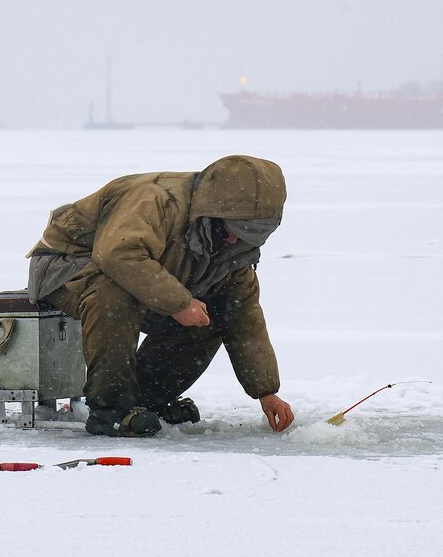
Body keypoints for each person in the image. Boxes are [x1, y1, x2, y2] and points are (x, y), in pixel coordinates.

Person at [26, 154, 295, 437]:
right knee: (114, 294)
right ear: (214, 212)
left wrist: (266, 392)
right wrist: (178, 302)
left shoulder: (234, 247)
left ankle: (145, 400)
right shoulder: (155, 199)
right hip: (68, 266)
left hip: (153, 272)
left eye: (250, 234)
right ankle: (111, 411)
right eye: (234, 229)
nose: (234, 240)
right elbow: (118, 255)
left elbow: (244, 316)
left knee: (211, 315)